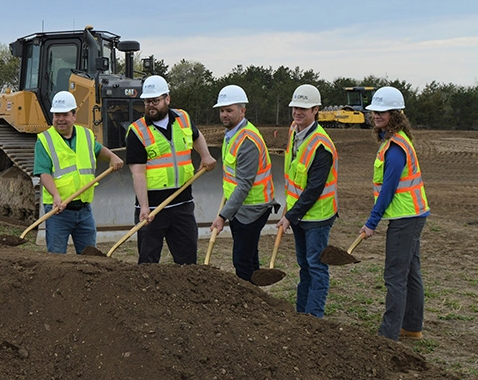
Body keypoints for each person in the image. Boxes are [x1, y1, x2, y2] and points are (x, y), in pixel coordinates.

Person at [359, 86, 430, 341]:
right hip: (411, 214)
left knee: (394, 276)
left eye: (382, 112)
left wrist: (371, 222)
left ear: (395, 114)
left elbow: (388, 190)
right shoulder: (393, 140)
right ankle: (412, 327)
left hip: (405, 218)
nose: (376, 116)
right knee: (410, 272)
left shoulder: (397, 147)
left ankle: (388, 335)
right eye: (375, 112)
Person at [127, 75, 216, 264]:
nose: (151, 105)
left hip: (182, 202)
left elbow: (197, 136)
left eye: (155, 101)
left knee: (187, 261)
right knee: (149, 262)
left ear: (167, 99)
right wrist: (144, 206)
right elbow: (138, 173)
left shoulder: (183, 118)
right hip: (152, 207)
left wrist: (205, 155)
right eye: (147, 101)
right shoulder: (137, 131)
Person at [33, 91, 125, 254]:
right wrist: (55, 195)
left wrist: (111, 156)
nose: (60, 119)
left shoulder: (86, 135)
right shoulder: (45, 140)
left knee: (90, 256)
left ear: (74, 116)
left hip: (84, 211)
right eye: (56, 115)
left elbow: (98, 150)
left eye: (65, 115)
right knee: (56, 258)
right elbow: (44, 173)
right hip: (58, 211)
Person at [277, 84, 338, 317]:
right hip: (299, 213)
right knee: (304, 266)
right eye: (295, 108)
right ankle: (301, 315)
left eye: (303, 108)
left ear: (316, 110)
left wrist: (290, 217)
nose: (297, 112)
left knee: (316, 267)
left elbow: (314, 189)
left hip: (317, 217)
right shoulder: (295, 130)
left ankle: (314, 319)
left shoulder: (321, 146)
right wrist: (289, 208)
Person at [209, 85, 275, 282]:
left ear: (242, 111)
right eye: (222, 110)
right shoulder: (232, 135)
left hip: (253, 207)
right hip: (240, 207)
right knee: (249, 255)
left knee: (242, 260)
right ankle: (257, 295)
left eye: (229, 110)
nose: (224, 115)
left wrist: (222, 216)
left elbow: (245, 184)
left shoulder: (247, 140)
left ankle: (250, 301)